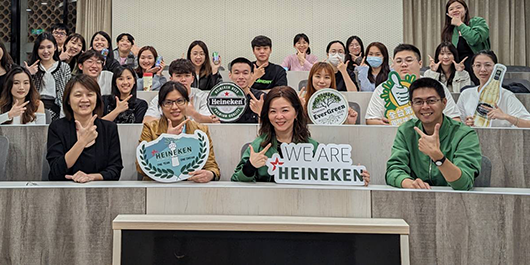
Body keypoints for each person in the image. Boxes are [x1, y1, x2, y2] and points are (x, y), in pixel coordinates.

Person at [231, 86, 370, 184]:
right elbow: (236, 179)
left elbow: (329, 177)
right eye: (273, 111)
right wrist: (250, 166)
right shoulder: (258, 146)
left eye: (285, 110)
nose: (279, 116)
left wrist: (356, 177)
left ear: (296, 113)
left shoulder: (312, 146)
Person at [386, 77, 482, 190]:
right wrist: (409, 183)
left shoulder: (464, 134)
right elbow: (393, 170)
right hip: (416, 196)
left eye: (431, 101)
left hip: (453, 197)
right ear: (411, 105)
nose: (425, 107)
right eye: (418, 102)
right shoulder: (406, 130)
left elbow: (463, 184)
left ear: (444, 103)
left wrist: (438, 157)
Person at [137, 81, 220, 182]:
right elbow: (141, 167)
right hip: (159, 186)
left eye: (179, 101)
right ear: (161, 106)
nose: (174, 107)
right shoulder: (150, 128)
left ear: (187, 103)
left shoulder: (200, 130)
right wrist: (165, 141)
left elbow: (212, 167)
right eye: (168, 103)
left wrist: (210, 174)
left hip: (190, 185)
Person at [46, 75, 123, 182]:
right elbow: (56, 170)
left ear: (97, 98)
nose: (85, 100)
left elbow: (115, 170)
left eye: (90, 94)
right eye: (78, 95)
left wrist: (91, 177)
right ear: (68, 100)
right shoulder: (57, 127)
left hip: (99, 189)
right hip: (64, 189)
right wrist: (82, 142)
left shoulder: (109, 128)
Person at [366, 44, 461, 125]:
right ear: (393, 65)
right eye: (399, 61)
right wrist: (382, 124)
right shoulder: (383, 88)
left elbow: (455, 119)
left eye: (408, 60)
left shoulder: (435, 86)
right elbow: (370, 120)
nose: (403, 64)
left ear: (420, 63)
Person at [457, 50, 530, 128]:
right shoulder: (466, 94)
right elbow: (458, 124)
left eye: (488, 65)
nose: (483, 69)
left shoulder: (506, 95)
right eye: (478, 65)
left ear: (496, 68)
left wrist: (506, 117)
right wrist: (466, 125)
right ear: (473, 68)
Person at [143, 59, 216, 124]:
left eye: (187, 76)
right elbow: (147, 121)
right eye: (178, 76)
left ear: (192, 79)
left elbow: (211, 121)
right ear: (171, 79)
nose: (183, 79)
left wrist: (193, 114)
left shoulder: (203, 96)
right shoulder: (161, 96)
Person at [441, 0, 490, 84]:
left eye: (458, 7)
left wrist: (460, 24)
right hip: (458, 70)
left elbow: (475, 39)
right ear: (448, 13)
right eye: (451, 9)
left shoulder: (478, 21)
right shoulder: (448, 30)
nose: (455, 10)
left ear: (465, 10)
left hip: (480, 67)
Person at [25, 33, 72, 122]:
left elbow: (67, 92)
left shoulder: (64, 67)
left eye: (49, 47)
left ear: (55, 47)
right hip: (35, 109)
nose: (46, 51)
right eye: (41, 48)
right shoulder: (32, 68)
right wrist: (29, 74)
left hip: (58, 109)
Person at [227, 57, 265, 124]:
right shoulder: (222, 98)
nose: (241, 77)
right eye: (237, 73)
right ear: (230, 75)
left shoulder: (260, 97)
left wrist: (260, 113)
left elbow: (267, 127)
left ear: (252, 75)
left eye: (245, 73)